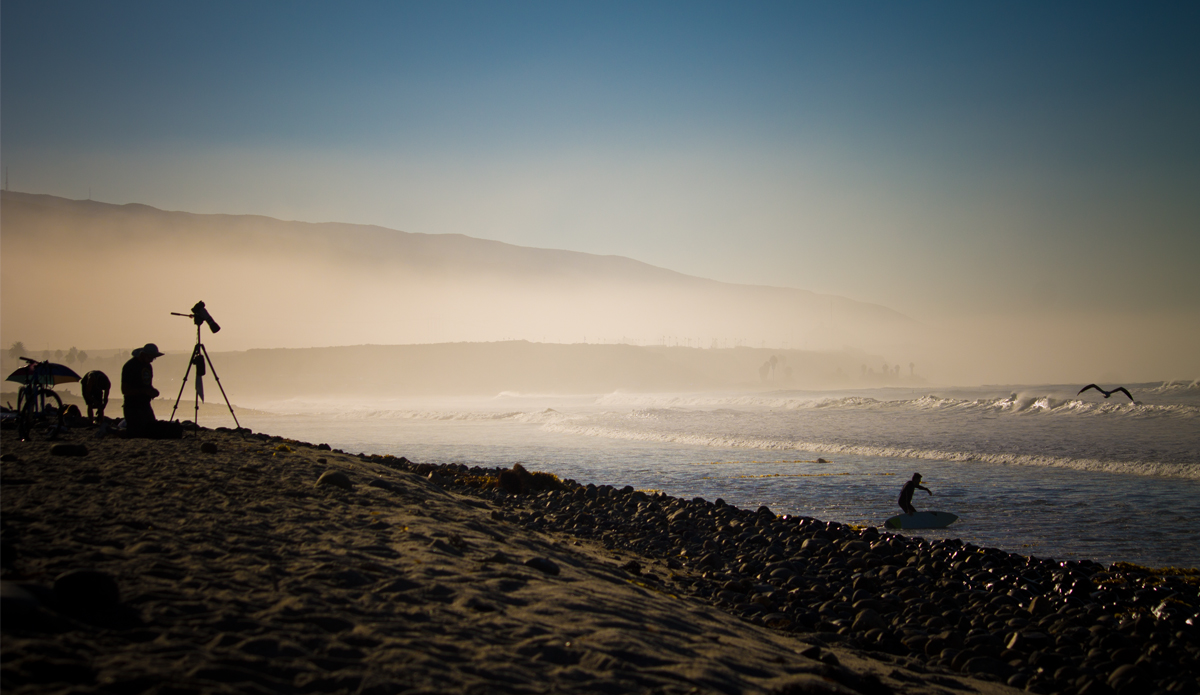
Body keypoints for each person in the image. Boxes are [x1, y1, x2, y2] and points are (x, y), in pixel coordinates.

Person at [121, 343, 163, 438]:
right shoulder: (130, 366)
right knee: (134, 434)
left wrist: (153, 391)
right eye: (150, 357)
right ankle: (109, 430)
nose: (152, 360)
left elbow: (147, 385)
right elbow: (125, 390)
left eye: (153, 358)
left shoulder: (148, 367)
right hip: (133, 406)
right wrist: (144, 391)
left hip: (145, 405)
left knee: (152, 431)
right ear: (143, 354)